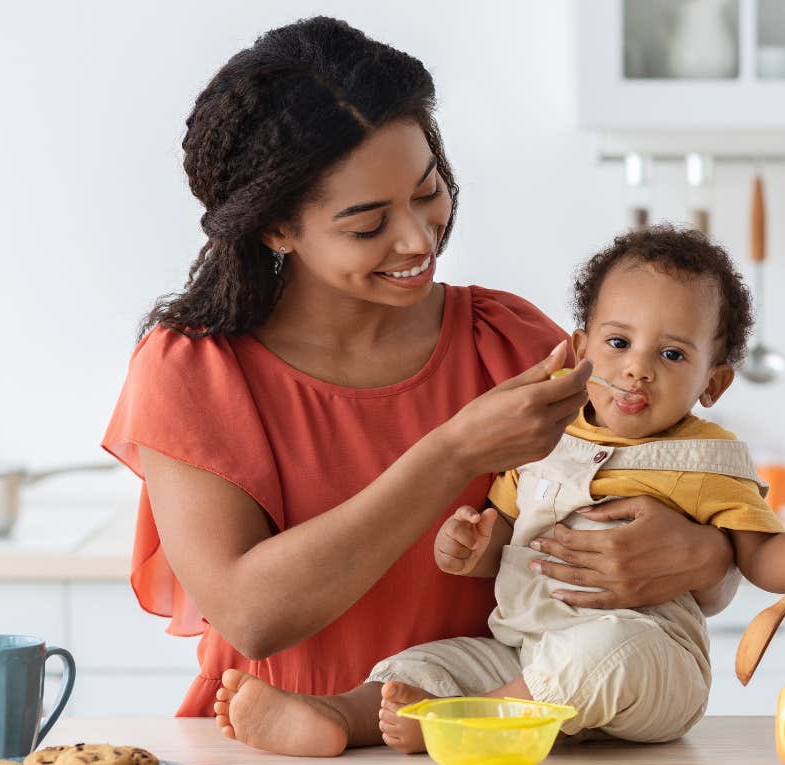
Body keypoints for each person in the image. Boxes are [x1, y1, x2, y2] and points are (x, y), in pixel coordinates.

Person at [101, 15, 743, 731]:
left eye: (427, 189)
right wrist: (456, 450)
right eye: (368, 223)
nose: (418, 237)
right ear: (277, 228)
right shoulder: (195, 371)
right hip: (266, 744)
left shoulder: (510, 343)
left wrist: (703, 551)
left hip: (485, 740)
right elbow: (252, 614)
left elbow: (682, 535)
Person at [215, 225, 785, 754]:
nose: (637, 365)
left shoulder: (709, 456)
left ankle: (477, 722)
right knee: (426, 663)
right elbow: (497, 536)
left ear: (712, 383)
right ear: (579, 346)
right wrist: (466, 543)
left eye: (671, 355)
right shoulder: (544, 431)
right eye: (618, 342)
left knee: (608, 650)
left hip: (649, 658)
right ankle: (340, 715)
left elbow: (758, 554)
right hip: (520, 648)